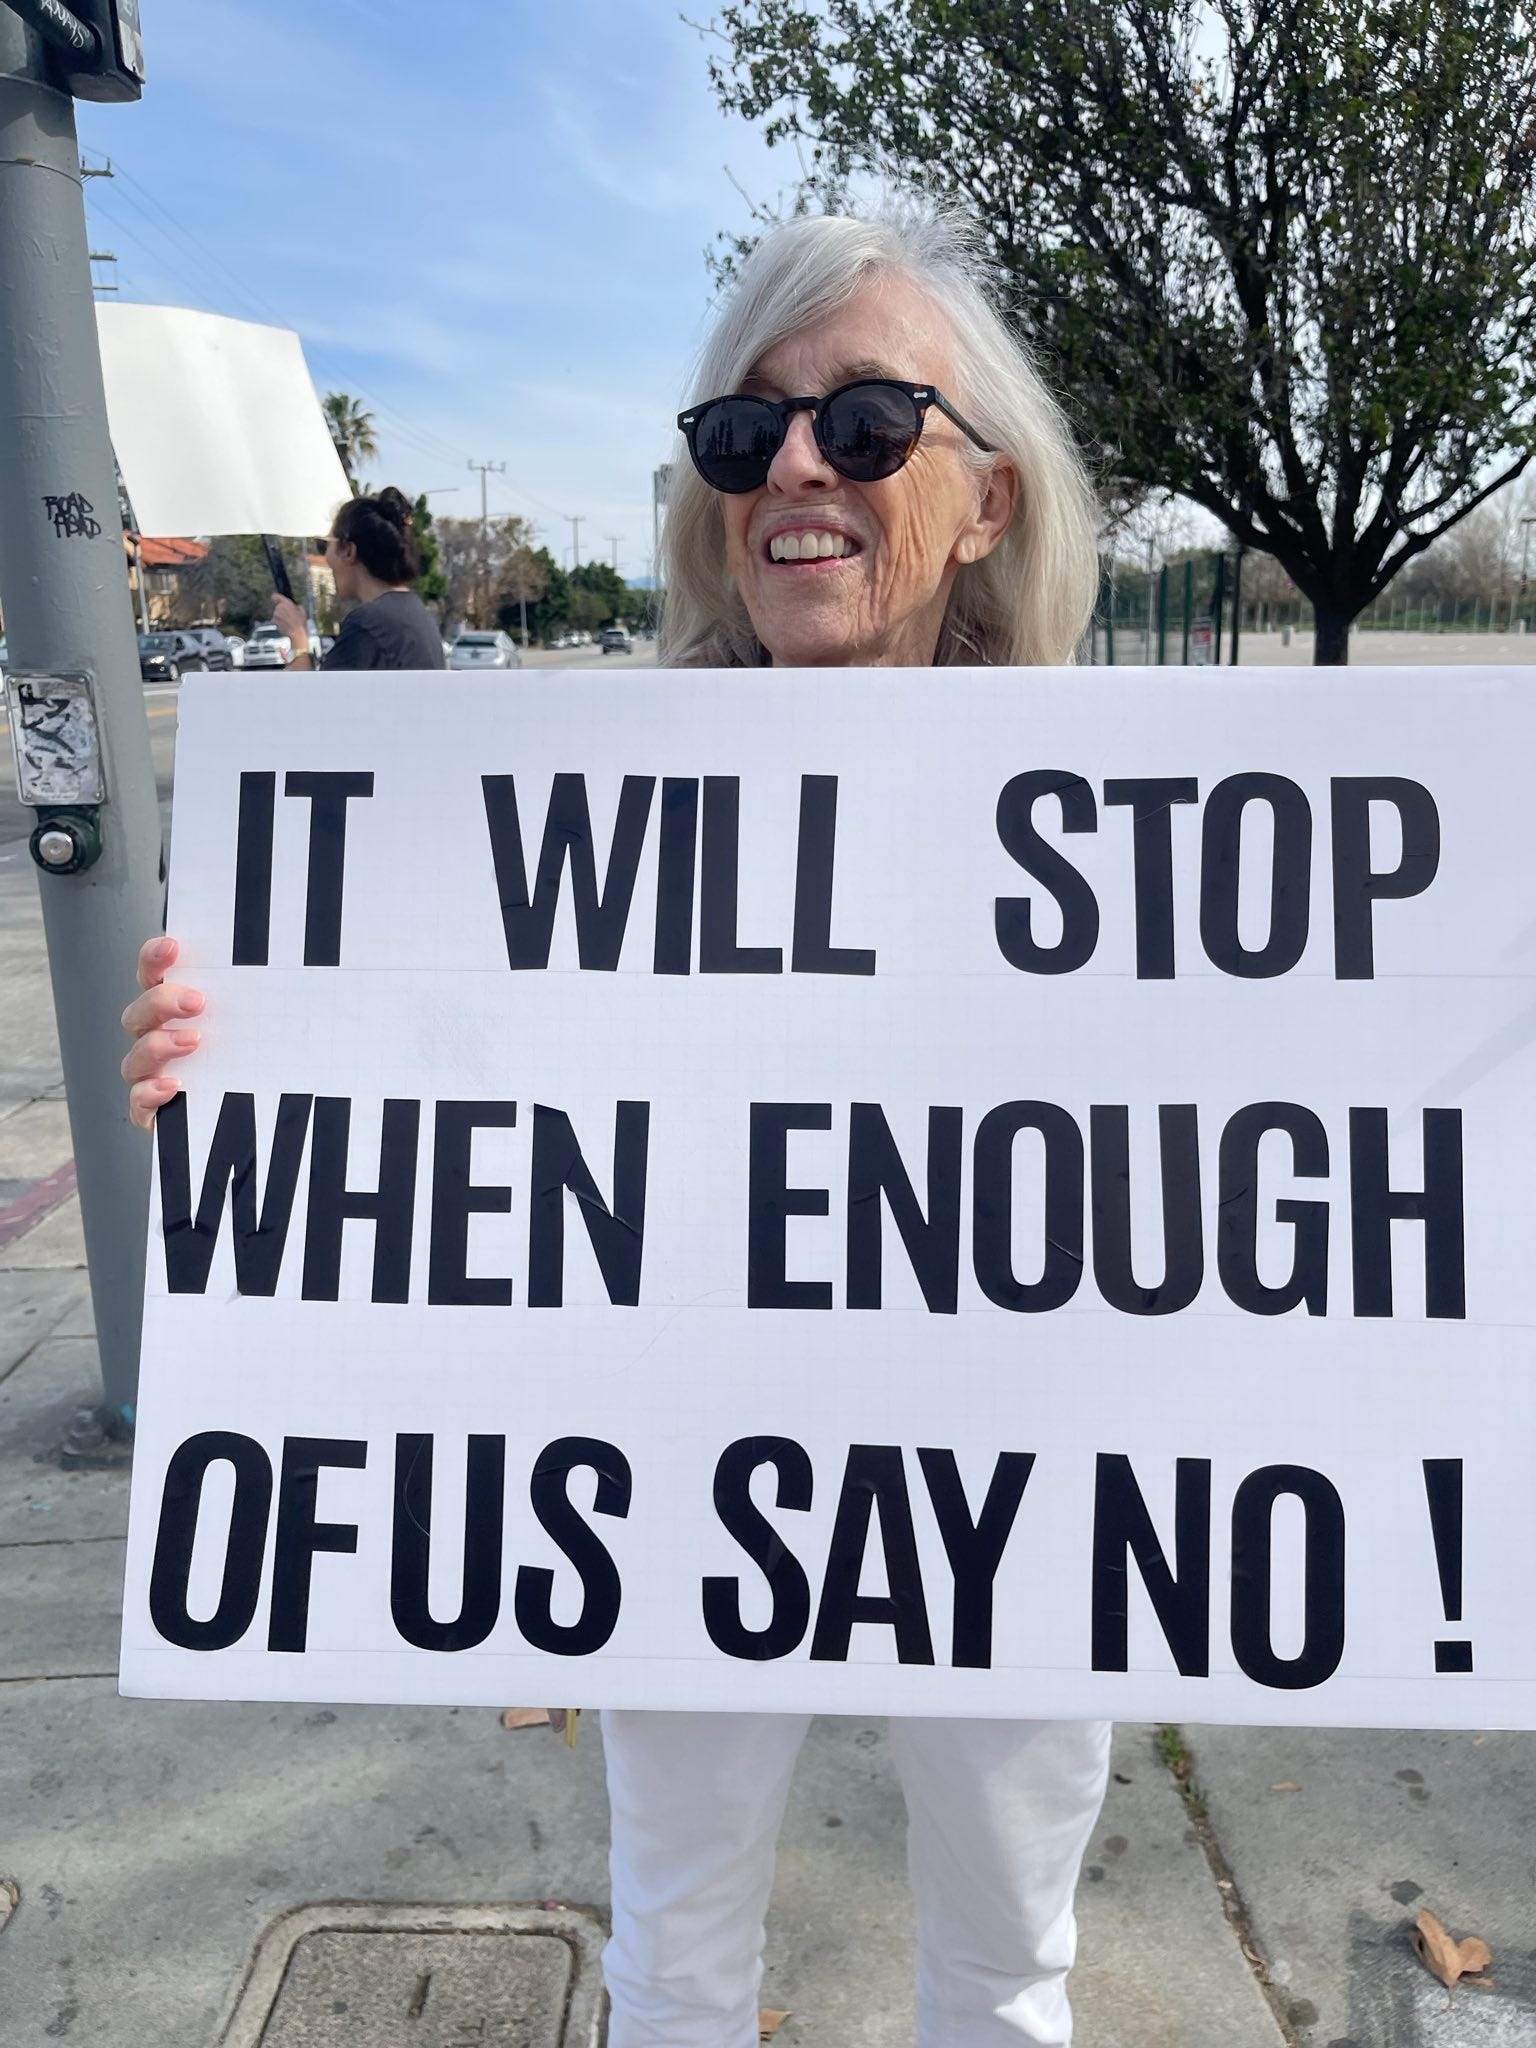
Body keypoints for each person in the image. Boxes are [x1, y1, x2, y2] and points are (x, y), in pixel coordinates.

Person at [122, 204, 1109, 2046]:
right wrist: (234, 1067)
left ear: (987, 499)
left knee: (1004, 1969)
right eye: (745, 431)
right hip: (679, 1454)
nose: (796, 465)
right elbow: (420, 1094)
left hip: (1015, 1472)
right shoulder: (576, 806)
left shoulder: (1128, 834)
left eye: (866, 419)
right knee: (675, 1962)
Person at [273, 484, 445, 671]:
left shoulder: (368, 625)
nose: (326, 558)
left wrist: (298, 640)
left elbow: (317, 691)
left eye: (325, 545)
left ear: (349, 551)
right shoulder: (414, 611)